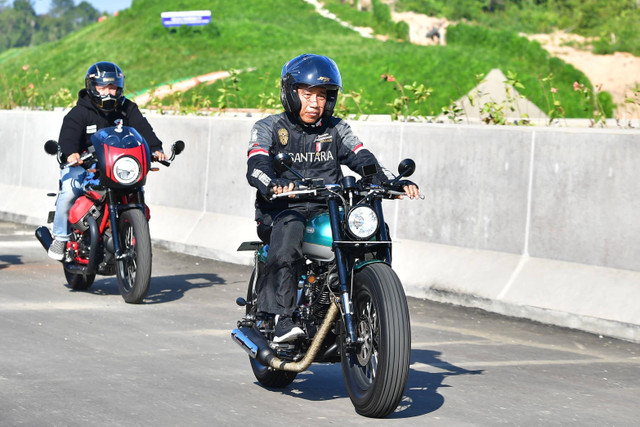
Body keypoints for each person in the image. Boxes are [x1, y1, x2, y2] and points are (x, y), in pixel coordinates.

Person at [246, 54, 419, 343]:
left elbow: (361, 157)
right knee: (290, 230)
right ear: (290, 93)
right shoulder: (268, 127)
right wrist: (274, 184)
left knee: (372, 227)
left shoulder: (336, 128)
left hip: (328, 207)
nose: (316, 103)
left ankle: (369, 296)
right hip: (282, 210)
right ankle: (281, 317)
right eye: (308, 94)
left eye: (323, 96)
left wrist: (386, 182)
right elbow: (257, 164)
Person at [48, 61, 167, 260]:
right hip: (84, 166)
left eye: (113, 88)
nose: (108, 92)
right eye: (103, 87)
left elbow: (143, 129)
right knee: (69, 191)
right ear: (92, 87)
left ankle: (136, 238)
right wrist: (71, 153)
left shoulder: (127, 108)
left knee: (136, 189)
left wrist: (156, 149)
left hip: (116, 165)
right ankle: (60, 237)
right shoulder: (79, 112)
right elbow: (68, 137)